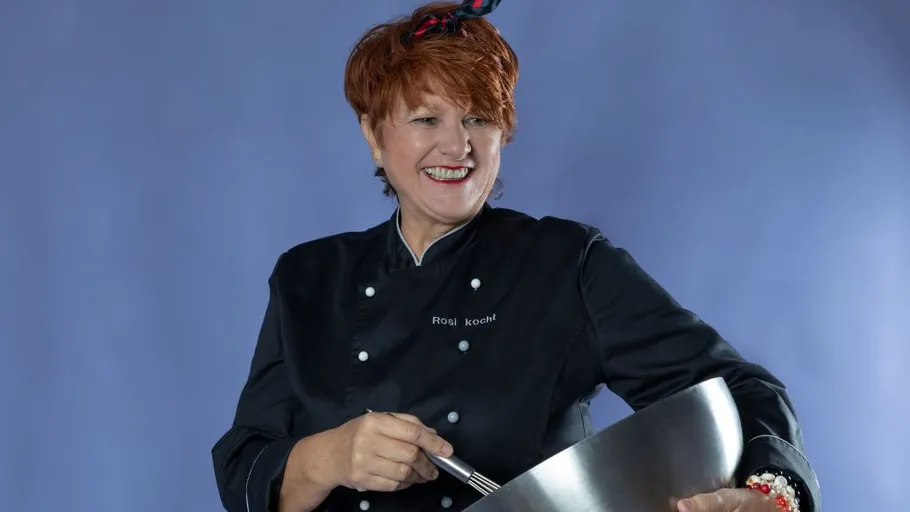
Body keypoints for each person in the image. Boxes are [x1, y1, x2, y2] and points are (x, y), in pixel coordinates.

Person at [211, 1, 821, 511]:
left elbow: (739, 388)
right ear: (374, 135)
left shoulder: (566, 264)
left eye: (479, 118)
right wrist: (328, 455)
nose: (457, 146)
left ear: (503, 130)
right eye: (426, 118)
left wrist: (771, 493)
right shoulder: (308, 278)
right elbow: (244, 463)